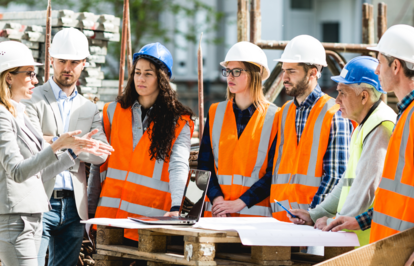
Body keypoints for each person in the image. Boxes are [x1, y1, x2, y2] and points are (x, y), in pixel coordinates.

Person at [323, 25, 414, 266]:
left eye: (381, 63)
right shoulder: (409, 115)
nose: (376, 70)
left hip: (407, 247)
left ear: (396, 66)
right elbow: (398, 195)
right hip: (404, 244)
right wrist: (359, 220)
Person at [0, 41, 112, 266]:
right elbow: (17, 171)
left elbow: (39, 172)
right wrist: (56, 145)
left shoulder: (16, 113)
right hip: (13, 221)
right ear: (9, 77)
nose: (35, 78)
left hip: (28, 218)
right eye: (29, 73)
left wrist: (72, 151)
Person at [22, 28, 110, 266]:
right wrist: (74, 143)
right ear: (51, 61)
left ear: (84, 64)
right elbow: (29, 148)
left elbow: (100, 154)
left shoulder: (90, 107)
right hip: (39, 200)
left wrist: (55, 141)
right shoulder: (31, 100)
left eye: (74, 62)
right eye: (62, 61)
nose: (67, 68)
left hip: (73, 207)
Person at [288, 56, 396, 247]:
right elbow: (347, 183)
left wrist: (334, 222)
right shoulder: (364, 125)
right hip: (360, 239)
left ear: (364, 96)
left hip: (373, 244)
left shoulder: (380, 126)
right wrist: (316, 215)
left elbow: (365, 190)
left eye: (343, 93)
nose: (336, 100)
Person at [93, 42, 194, 242]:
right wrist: (88, 212)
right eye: (137, 72)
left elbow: (179, 165)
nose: (140, 78)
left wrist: (176, 207)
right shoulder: (111, 112)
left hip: (150, 221)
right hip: (110, 220)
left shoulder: (179, 121)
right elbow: (97, 167)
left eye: (148, 73)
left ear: (162, 78)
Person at [270, 35, 353, 223]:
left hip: (316, 224)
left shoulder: (334, 113)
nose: (284, 77)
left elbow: (336, 175)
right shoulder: (284, 113)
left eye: (291, 71)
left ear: (313, 73)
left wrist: (313, 214)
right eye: (283, 71)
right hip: (281, 221)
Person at [198, 42, 278, 217]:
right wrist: (217, 199)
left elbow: (274, 173)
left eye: (237, 71)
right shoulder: (215, 112)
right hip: (217, 217)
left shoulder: (276, 118)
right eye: (228, 71)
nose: (229, 77)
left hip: (255, 221)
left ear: (255, 73)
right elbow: (204, 165)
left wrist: (240, 203)